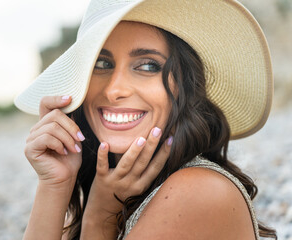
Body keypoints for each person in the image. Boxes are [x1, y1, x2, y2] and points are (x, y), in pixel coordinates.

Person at [14, 0, 277, 239]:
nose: (114, 90)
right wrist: (54, 185)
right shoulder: (111, 190)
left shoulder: (197, 192)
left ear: (187, 87)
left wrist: (99, 221)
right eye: (102, 64)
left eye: (148, 65)